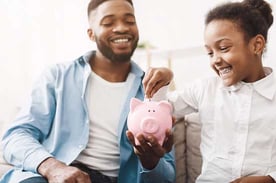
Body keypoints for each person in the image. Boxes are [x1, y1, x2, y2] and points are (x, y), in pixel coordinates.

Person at [0, 0, 176, 182]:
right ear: (91, 34)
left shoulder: (152, 91)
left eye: (130, 21)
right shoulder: (57, 76)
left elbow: (167, 176)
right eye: (108, 23)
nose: (122, 28)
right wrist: (53, 168)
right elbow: (16, 136)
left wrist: (151, 162)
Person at [144, 0, 276, 182]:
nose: (215, 60)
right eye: (210, 53)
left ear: (256, 45)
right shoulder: (205, 89)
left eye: (223, 48)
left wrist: (270, 179)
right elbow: (160, 110)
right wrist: (164, 80)